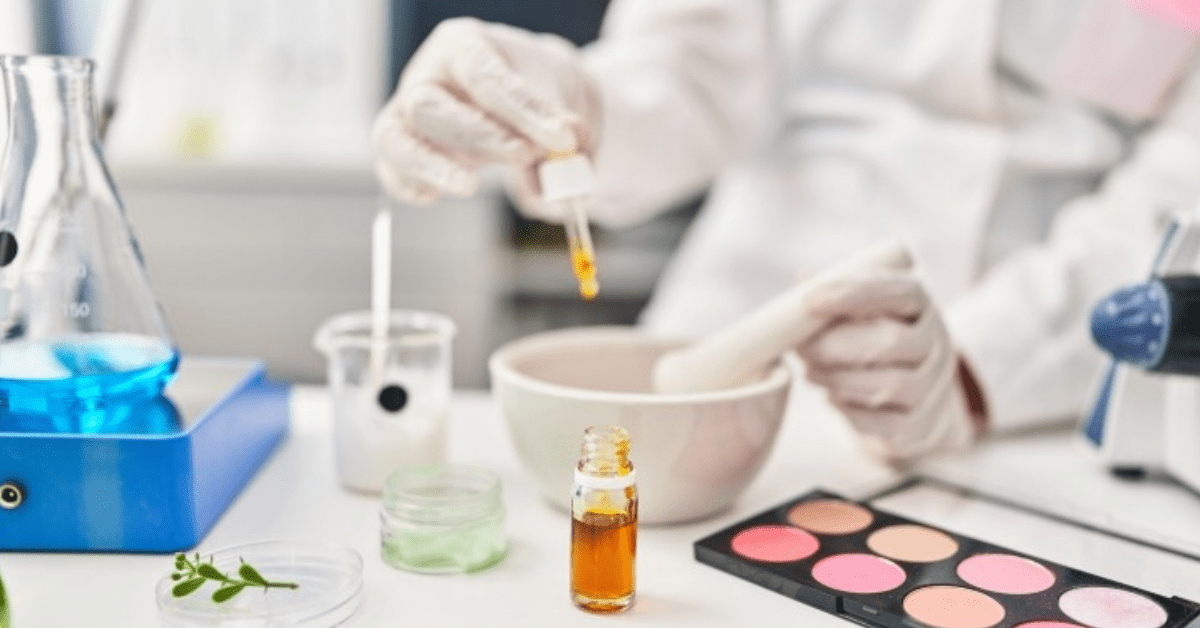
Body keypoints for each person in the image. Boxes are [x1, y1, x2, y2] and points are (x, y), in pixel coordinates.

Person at [372, 0, 1200, 461]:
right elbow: (687, 67)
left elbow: (1183, 169)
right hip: (737, 318)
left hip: (1036, 380)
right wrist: (573, 99)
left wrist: (982, 370)